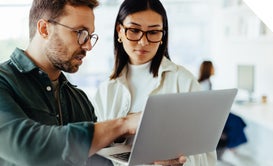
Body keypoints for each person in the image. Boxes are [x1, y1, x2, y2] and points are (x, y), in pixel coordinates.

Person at [0, 1, 141, 166]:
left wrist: (151, 157)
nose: (88, 46)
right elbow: (29, 148)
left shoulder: (79, 100)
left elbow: (100, 162)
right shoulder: (5, 82)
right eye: (81, 33)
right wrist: (122, 124)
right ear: (44, 29)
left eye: (90, 36)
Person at [93, 0, 217, 165]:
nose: (143, 42)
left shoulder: (183, 81)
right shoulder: (106, 91)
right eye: (134, 30)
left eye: (153, 32)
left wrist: (181, 163)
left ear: (162, 36)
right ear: (119, 31)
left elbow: (207, 157)